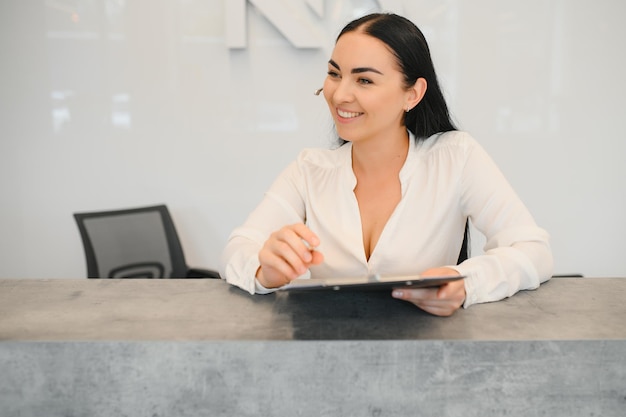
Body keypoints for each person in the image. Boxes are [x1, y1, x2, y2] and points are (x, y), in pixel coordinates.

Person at [220, 13, 553, 316]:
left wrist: (466, 282)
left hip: (429, 360)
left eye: (364, 80)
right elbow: (238, 249)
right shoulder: (310, 169)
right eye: (335, 74)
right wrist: (266, 270)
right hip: (322, 358)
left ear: (413, 94)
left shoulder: (456, 157)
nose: (339, 95)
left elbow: (533, 251)